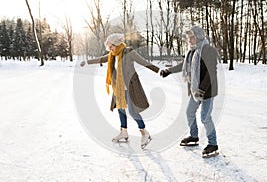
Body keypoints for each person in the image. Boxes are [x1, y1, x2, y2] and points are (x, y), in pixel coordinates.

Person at [80, 33, 160, 149]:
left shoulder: (128, 52)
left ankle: (144, 133)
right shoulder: (113, 55)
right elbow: (102, 59)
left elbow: (143, 62)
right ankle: (124, 132)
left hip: (131, 87)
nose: (109, 49)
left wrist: (159, 71)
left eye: (110, 46)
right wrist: (87, 62)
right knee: (121, 109)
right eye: (108, 47)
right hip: (119, 88)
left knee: (133, 112)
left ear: (117, 44)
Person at [160, 26, 220, 157]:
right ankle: (194, 136)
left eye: (191, 37)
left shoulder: (208, 50)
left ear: (198, 37)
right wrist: (168, 71)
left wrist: (202, 89)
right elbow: (183, 65)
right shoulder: (192, 52)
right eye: (188, 38)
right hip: (195, 90)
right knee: (189, 112)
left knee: (205, 117)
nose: (189, 40)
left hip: (207, 91)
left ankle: (213, 144)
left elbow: (211, 73)